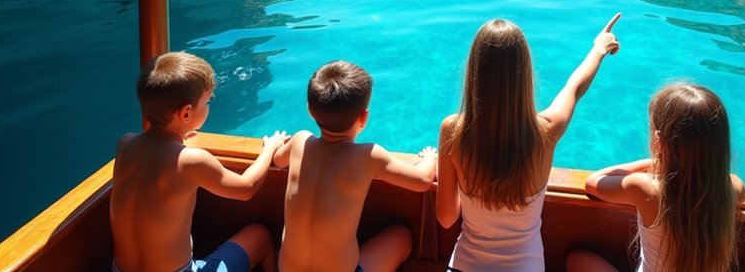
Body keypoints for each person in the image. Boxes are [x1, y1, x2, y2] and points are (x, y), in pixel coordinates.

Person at [436, 14, 622, 272]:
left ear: (475, 72)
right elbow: (574, 88)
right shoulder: (546, 132)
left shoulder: (453, 131)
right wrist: (599, 49)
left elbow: (446, 219)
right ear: (524, 75)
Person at [110, 51, 287, 272]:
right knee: (259, 236)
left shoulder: (126, 144)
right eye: (207, 101)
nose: (209, 106)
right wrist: (269, 149)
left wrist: (181, 136)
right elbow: (246, 188)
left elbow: (156, 156)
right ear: (186, 114)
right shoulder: (191, 161)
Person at [273, 60, 438, 272]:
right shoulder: (367, 156)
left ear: (310, 111)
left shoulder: (299, 142)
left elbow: (278, 160)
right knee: (402, 235)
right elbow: (423, 181)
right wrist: (430, 157)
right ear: (364, 117)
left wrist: (273, 145)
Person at [567, 82, 745, 272]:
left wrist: (654, 162)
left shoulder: (647, 189)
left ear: (658, 142)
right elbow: (740, 191)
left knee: (577, 259)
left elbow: (594, 182)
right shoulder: (729, 189)